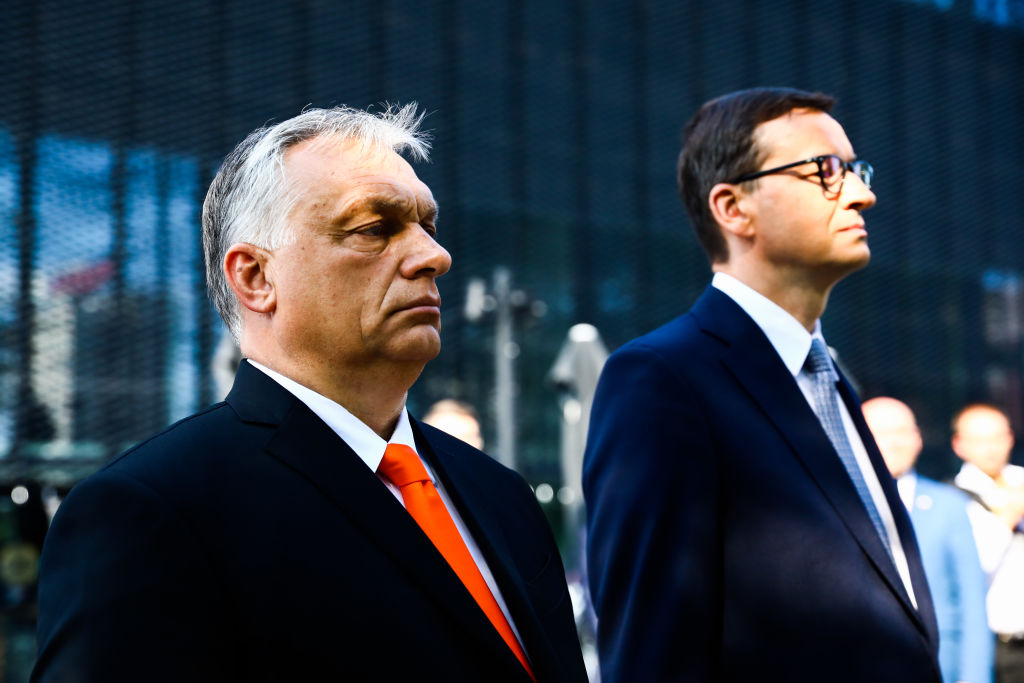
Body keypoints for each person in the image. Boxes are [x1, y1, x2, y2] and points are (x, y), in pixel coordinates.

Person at [32, 105, 588, 683]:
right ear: (254, 277)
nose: (434, 257)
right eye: (374, 229)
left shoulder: (502, 496)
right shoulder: (152, 511)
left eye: (428, 226)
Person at [582, 87, 940, 682]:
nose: (862, 193)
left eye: (856, 169)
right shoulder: (661, 381)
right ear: (733, 208)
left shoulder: (828, 380)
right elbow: (654, 654)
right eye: (825, 171)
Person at [863, 396, 993, 683]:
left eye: (903, 432)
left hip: (940, 668)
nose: (894, 443)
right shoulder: (844, 504)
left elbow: (971, 601)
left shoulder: (948, 504)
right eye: (880, 433)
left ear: (918, 439)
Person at [951, 404, 1024, 683]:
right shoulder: (949, 500)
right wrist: (1007, 517)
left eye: (997, 437)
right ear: (959, 445)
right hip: (998, 647)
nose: (991, 448)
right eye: (980, 440)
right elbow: (970, 569)